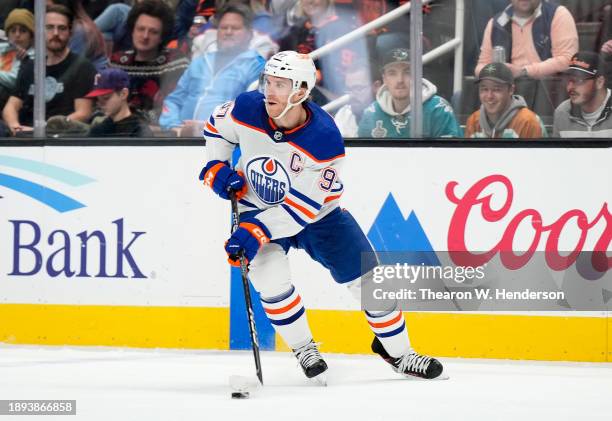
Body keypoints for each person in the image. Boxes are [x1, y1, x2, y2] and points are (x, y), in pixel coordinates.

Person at [199, 51, 444, 381]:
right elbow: (217, 127)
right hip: (256, 208)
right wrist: (216, 166)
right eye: (268, 82)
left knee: (371, 281)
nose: (269, 91)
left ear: (300, 92)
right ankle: (304, 349)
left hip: (319, 216)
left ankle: (400, 354)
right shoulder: (245, 108)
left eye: (280, 85)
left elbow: (301, 210)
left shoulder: (325, 139)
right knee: (270, 281)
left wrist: (254, 231)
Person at [160, 2, 266, 135]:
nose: (228, 32)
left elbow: (251, 111)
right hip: (181, 140)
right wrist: (175, 127)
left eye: (235, 28)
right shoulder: (200, 62)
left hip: (224, 144)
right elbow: (173, 101)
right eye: (223, 27)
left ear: (249, 34)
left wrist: (204, 128)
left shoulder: (256, 66)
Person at [1, 4, 96, 136]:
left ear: (70, 32)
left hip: (60, 139)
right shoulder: (30, 65)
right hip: (24, 138)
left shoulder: (83, 67)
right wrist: (15, 127)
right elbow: (11, 106)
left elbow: (83, 113)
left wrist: (42, 130)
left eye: (62, 28)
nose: (55, 33)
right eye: (49, 27)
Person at [109, 0, 190, 124]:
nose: (145, 36)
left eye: (153, 32)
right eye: (141, 29)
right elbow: (104, 102)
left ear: (162, 36)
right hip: (117, 130)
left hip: (157, 134)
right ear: (132, 31)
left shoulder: (175, 62)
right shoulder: (117, 61)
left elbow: (172, 107)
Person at [358, 46, 462, 138]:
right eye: (392, 73)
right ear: (384, 79)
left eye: (407, 72)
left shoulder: (439, 110)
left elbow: (451, 156)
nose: (400, 80)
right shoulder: (371, 113)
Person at [475, 0, 578, 80]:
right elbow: (481, 67)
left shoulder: (558, 14)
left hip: (548, 94)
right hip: (508, 95)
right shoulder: (495, 24)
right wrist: (495, 72)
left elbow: (567, 60)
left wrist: (524, 71)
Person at [466, 62, 547, 138]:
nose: (489, 96)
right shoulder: (472, 121)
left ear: (511, 90)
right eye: (484, 89)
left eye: (496, 89)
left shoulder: (529, 122)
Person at [553, 52, 612, 138]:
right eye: (568, 80)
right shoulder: (562, 112)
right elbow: (557, 151)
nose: (570, 87)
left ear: (599, 82)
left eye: (578, 80)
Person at [86, 68, 153, 137]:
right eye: (97, 99)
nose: (100, 104)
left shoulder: (139, 131)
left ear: (123, 94)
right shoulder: (98, 130)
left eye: (106, 98)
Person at [0, 8, 35, 109]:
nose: (17, 35)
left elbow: (16, 81)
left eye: (23, 31)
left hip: (13, 102)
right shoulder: (2, 48)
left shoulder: (33, 55)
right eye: (13, 30)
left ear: (31, 36)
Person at [333, 61, 379, 137]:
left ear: (376, 87)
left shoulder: (389, 114)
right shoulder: (343, 115)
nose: (352, 95)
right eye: (349, 89)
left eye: (358, 88)